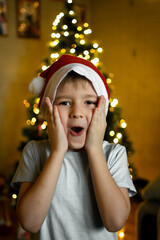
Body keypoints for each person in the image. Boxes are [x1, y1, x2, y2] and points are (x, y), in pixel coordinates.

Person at [11, 54, 136, 240]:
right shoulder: (35, 152)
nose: (77, 113)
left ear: (102, 110)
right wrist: (57, 152)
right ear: (48, 109)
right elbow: (29, 222)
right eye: (65, 103)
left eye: (89, 102)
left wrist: (94, 150)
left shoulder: (114, 154)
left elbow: (115, 221)